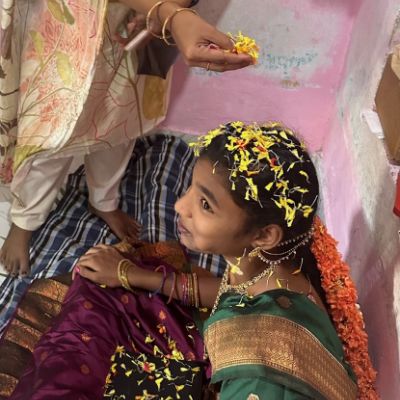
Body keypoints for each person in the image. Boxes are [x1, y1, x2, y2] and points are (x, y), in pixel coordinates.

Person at [3, 122, 378, 399]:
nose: (179, 207)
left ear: (264, 235)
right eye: (191, 190)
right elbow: (229, 291)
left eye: (205, 205)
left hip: (227, 380)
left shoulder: (260, 378)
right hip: (215, 360)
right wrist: (129, 274)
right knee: (104, 292)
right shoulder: (279, 266)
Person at [0, 0, 253, 277]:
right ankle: (24, 222)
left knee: (122, 124)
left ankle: (103, 201)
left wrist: (171, 9)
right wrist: (166, 12)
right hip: (72, 24)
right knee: (56, 136)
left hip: (138, 26)